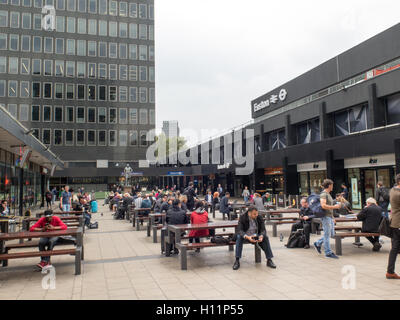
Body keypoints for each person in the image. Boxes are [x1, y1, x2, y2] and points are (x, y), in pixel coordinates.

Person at [313, 179, 342, 259]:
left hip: (329, 217)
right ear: (329, 185)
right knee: (327, 235)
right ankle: (328, 253)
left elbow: (328, 208)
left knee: (331, 234)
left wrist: (333, 217)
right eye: (332, 185)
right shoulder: (323, 194)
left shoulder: (328, 194)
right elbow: (323, 205)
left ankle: (318, 243)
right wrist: (335, 207)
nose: (333, 187)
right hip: (325, 217)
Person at [387, 174, 400, 279]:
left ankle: (390, 271)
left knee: (395, 248)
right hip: (398, 223)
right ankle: (390, 271)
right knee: (395, 248)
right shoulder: (398, 194)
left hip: (395, 222)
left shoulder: (392, 190)